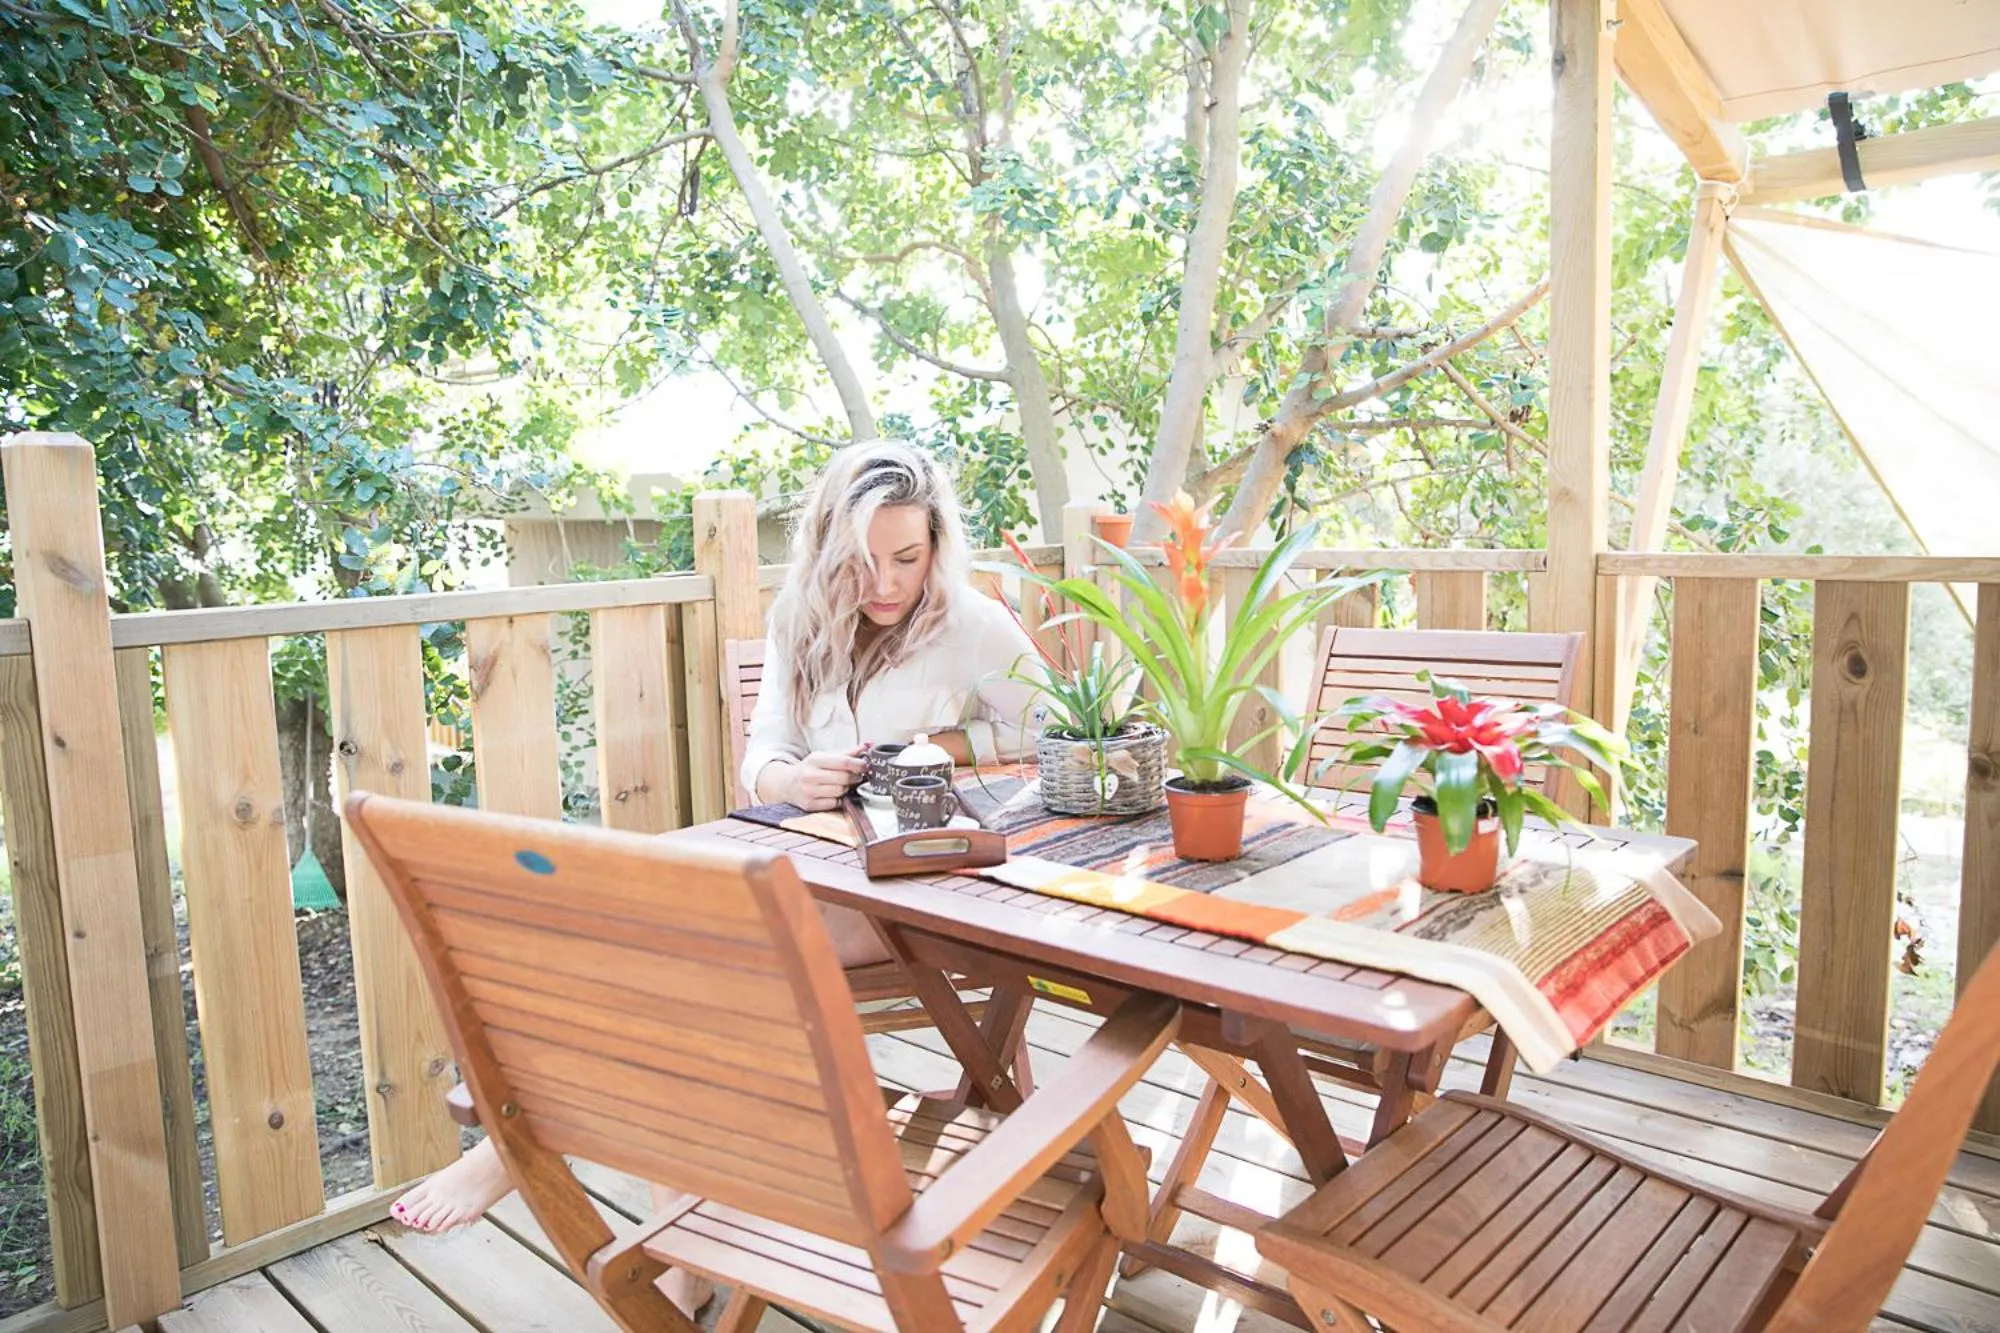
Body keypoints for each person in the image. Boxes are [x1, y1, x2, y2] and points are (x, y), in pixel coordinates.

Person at [389, 442, 1041, 1312]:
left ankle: (526, 1124)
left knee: (684, 954)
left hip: (906, 889)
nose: (886, 583)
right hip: (800, 859)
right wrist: (792, 779)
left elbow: (1068, 732)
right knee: (648, 914)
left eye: (907, 557)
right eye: (862, 560)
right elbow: (762, 759)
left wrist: (946, 747)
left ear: (937, 545)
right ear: (825, 546)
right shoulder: (797, 621)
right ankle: (668, 1233)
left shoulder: (971, 622)